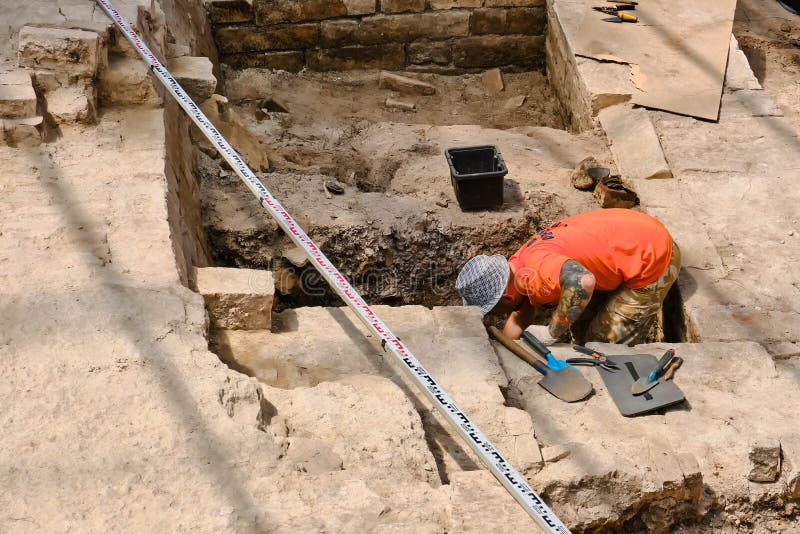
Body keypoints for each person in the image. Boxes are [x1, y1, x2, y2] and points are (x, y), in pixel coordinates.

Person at [456, 209, 681, 345]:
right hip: (631, 232)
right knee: (578, 326)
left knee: (601, 345)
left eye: (493, 310)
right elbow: (520, 315)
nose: (497, 315)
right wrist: (502, 350)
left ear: (504, 297)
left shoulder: (539, 267)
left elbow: (583, 282)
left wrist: (551, 332)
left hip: (652, 256)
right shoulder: (517, 268)